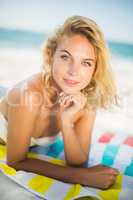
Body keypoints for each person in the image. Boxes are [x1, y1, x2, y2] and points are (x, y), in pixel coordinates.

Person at [0, 15, 119, 190]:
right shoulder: (27, 96)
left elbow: (78, 162)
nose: (73, 71)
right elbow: (15, 160)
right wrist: (82, 177)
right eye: (65, 57)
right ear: (51, 56)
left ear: (95, 69)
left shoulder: (85, 103)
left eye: (86, 63)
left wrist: (66, 121)